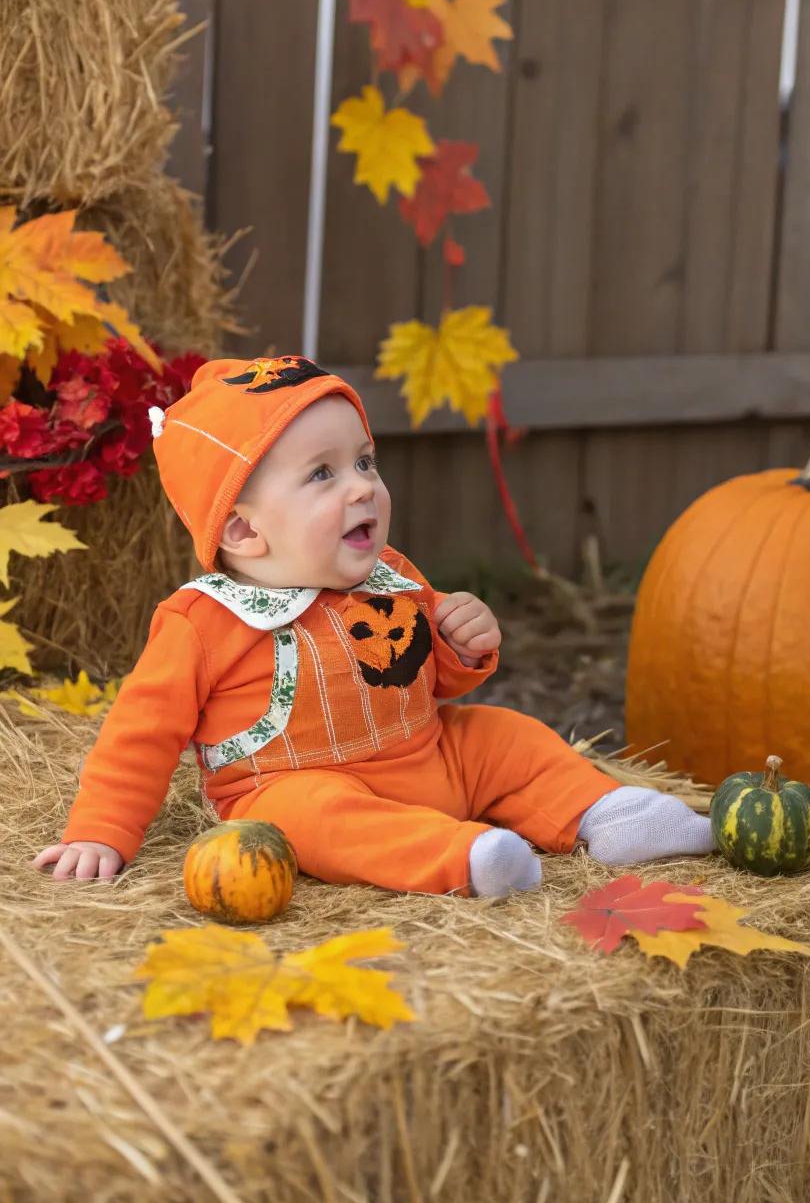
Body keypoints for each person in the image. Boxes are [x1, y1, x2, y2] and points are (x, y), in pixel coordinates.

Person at [34, 355, 713, 898]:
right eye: (323, 474)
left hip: (431, 758)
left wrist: (462, 643)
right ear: (243, 529)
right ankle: (466, 858)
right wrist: (102, 832)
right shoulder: (204, 621)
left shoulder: (392, 574)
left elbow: (430, 678)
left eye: (364, 462)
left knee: (506, 736)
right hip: (294, 787)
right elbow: (139, 735)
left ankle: (607, 815)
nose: (362, 486)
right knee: (310, 816)